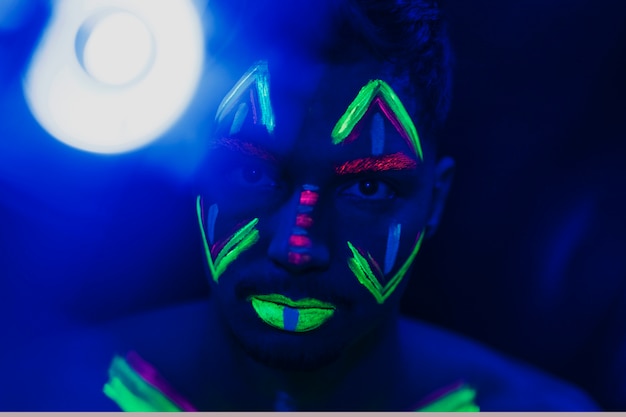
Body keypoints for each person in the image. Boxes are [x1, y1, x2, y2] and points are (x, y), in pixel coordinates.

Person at [69, 0, 600, 411]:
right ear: (196, 174)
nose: (297, 248)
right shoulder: (43, 394)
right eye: (253, 172)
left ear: (435, 202)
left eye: (368, 189)